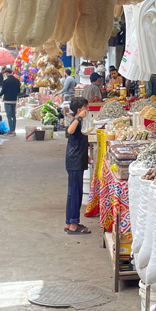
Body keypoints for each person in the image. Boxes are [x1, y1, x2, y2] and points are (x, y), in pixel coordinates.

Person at [64, 97, 92, 234]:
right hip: (74, 162)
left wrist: (87, 158)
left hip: (76, 160)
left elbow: (78, 142)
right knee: (75, 193)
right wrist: (79, 117)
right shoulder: (76, 121)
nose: (87, 109)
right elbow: (69, 131)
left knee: (72, 193)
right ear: (80, 109)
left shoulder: (80, 122)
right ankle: (74, 224)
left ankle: (69, 222)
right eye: (86, 107)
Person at [0, 68, 22, 135]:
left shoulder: (5, 81)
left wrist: (0, 95)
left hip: (7, 100)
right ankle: (14, 130)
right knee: (13, 116)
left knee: (9, 116)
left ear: (6, 73)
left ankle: (11, 130)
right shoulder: (17, 81)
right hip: (14, 100)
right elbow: (19, 90)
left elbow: (3, 90)